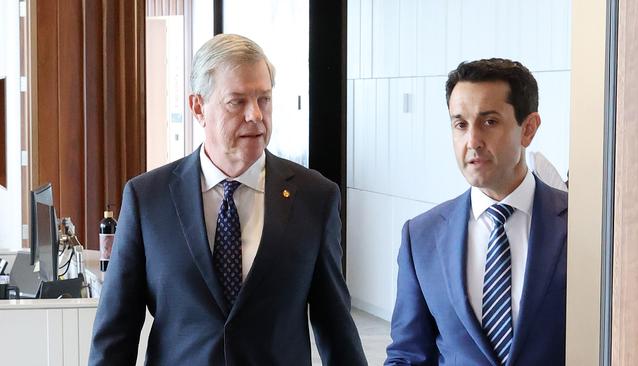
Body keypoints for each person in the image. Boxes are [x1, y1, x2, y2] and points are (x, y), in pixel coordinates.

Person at [89, 34, 367, 366]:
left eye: (264, 99)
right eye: (237, 101)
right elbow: (116, 330)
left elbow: (336, 326)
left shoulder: (315, 197)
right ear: (197, 107)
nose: (256, 115)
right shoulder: (147, 198)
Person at [385, 58, 567, 365]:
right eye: (460, 124)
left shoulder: (583, 228)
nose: (472, 141)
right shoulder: (421, 237)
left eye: (490, 122)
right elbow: (408, 354)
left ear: (529, 129)